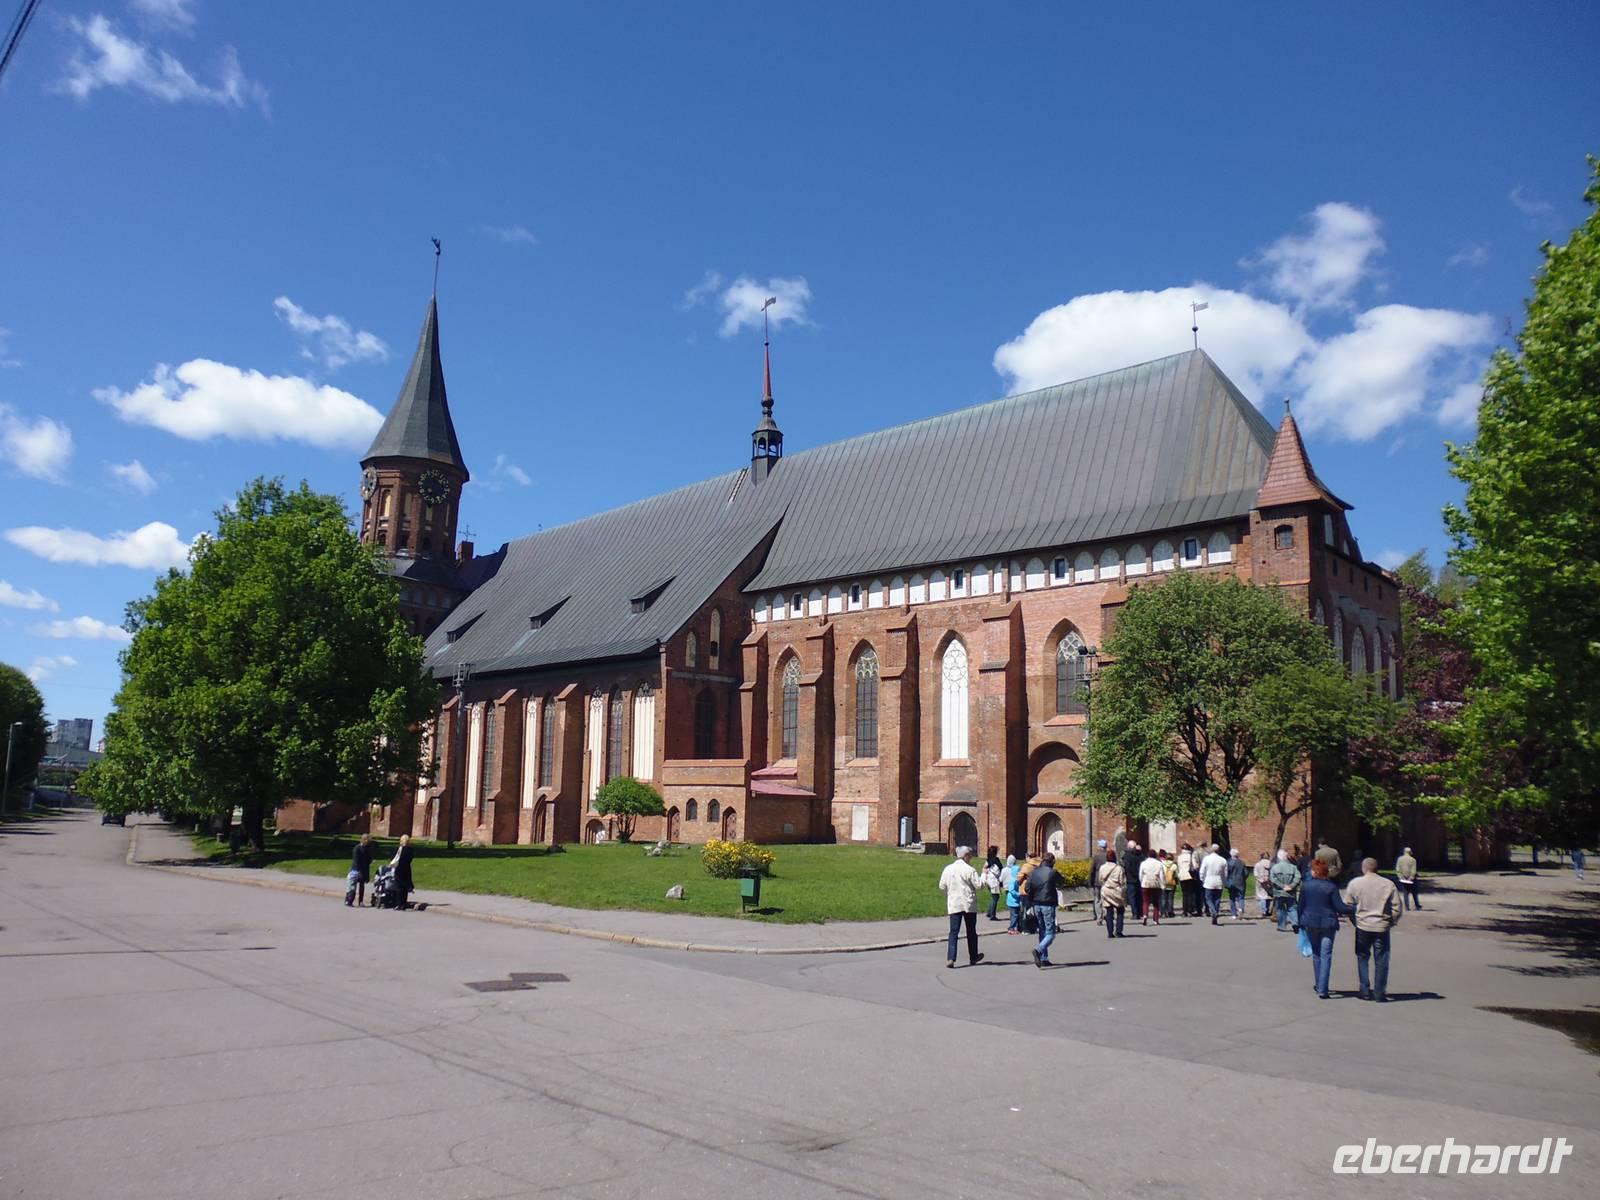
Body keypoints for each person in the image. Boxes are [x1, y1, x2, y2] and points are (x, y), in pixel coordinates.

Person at [1346, 857, 1402, 1002]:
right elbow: (1397, 907)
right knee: (1382, 959)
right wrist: (1391, 921)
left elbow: (1348, 905)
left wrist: (1355, 920)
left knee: (1362, 957)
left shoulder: (1355, 883)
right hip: (1381, 925)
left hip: (1363, 925)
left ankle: (1364, 989)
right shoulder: (1388, 884)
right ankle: (1379, 991)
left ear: (1363, 869)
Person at [1299, 857, 1355, 998]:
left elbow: (1301, 906)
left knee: (1316, 954)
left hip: (1310, 922)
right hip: (1328, 923)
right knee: (1326, 955)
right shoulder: (1330, 887)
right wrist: (1353, 908)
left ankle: (1319, 984)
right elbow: (1339, 907)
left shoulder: (1306, 886)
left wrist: (1299, 922)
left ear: (1314, 872)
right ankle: (1323, 988)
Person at [938, 846, 986, 969]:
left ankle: (951, 958)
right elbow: (979, 885)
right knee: (971, 931)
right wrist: (984, 873)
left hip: (954, 903)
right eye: (969, 855)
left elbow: (942, 886)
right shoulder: (970, 870)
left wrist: (948, 895)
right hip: (968, 904)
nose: (970, 857)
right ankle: (973, 956)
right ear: (965, 856)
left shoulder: (948, 869)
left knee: (953, 932)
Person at [1024, 852, 1065, 967]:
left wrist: (1033, 896)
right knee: (1050, 933)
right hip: (1048, 903)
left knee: (1042, 930)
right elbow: (1062, 881)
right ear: (1052, 862)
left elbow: (1027, 888)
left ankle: (1043, 958)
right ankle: (1039, 949)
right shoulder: (1052, 872)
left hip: (1036, 904)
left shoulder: (1034, 872)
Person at [1097, 848, 1127, 939]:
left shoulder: (1102, 867)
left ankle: (1110, 932)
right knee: (1120, 910)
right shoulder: (1119, 868)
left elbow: (1100, 879)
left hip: (1106, 890)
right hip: (1116, 890)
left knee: (1109, 911)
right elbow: (1122, 881)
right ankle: (1118, 931)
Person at [1269, 849, 1301, 931]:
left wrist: (1282, 886)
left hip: (1279, 892)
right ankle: (1295, 923)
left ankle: (1281, 926)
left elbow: (1273, 879)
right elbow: (1298, 877)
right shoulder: (1293, 867)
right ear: (1286, 857)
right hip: (1291, 892)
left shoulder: (1275, 867)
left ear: (1279, 857)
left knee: (1280, 909)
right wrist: (1291, 886)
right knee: (1292, 908)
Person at [1198, 843, 1227, 924]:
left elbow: (1202, 871)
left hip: (1209, 880)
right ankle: (1215, 912)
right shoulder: (1222, 860)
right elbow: (1225, 873)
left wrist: (1202, 879)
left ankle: (1213, 911)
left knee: (1208, 898)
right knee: (1217, 899)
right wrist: (1224, 882)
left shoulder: (1206, 859)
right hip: (1218, 881)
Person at [346, 833, 374, 907]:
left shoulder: (368, 849)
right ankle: (349, 900)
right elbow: (356, 861)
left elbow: (369, 860)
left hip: (364, 869)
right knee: (352, 886)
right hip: (356, 870)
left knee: (362, 886)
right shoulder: (357, 848)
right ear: (363, 840)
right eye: (367, 840)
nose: (368, 842)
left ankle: (360, 901)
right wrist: (359, 871)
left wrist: (367, 875)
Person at [1138, 846, 1164, 926]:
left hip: (1145, 883)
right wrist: (1162, 885)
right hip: (1156, 884)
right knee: (1156, 902)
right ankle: (1155, 920)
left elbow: (1140, 874)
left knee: (1145, 901)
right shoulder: (1159, 863)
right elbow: (1161, 876)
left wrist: (1142, 882)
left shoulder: (1143, 863)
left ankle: (1145, 915)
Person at [389, 834, 415, 909]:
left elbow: (392, 858)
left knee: (399, 887)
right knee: (405, 887)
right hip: (407, 869)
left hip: (399, 869)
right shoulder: (411, 850)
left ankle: (399, 904)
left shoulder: (399, 849)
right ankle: (404, 903)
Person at [1122, 840, 1144, 921]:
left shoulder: (1127, 855)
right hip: (1140, 878)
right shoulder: (1140, 854)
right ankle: (1140, 913)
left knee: (1132, 897)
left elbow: (1127, 867)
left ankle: (1135, 913)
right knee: (1139, 896)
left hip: (1131, 879)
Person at [1394, 846, 1422, 910]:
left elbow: (1398, 869)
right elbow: (1413, 870)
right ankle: (1417, 905)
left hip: (1403, 878)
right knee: (1414, 892)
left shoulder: (1400, 859)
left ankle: (1407, 907)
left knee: (1405, 893)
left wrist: (1400, 876)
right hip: (1411, 879)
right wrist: (1411, 877)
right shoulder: (1413, 860)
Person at [1002, 854, 1023, 934]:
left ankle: (1015, 927)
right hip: (1012, 901)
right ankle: (1011, 928)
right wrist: (1018, 894)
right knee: (1014, 915)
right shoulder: (1013, 881)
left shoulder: (1016, 880)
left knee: (1016, 915)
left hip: (1016, 902)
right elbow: (1012, 891)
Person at [1177, 843, 1199, 916]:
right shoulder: (1191, 856)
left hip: (1182, 876)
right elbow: (1195, 866)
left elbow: (1179, 866)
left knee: (1184, 894)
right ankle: (1190, 910)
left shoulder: (1179, 857)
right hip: (1190, 876)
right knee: (1190, 893)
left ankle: (1184, 911)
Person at [983, 846, 1004, 919]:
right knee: (995, 897)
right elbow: (1000, 870)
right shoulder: (996, 860)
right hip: (994, 881)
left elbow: (985, 869)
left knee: (993, 896)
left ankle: (989, 911)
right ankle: (992, 914)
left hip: (988, 880)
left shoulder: (987, 860)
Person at [1090, 839, 1108, 922]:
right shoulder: (1108, 855)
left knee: (1097, 899)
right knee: (1106, 898)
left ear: (1100, 847)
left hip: (1097, 880)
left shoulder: (1096, 856)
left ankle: (1099, 917)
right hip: (1107, 880)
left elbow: (1092, 869)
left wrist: (1090, 880)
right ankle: (1106, 914)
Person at [1253, 851, 1273, 919]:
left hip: (1260, 882)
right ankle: (1267, 910)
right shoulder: (1271, 864)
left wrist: (1261, 880)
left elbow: (1256, 874)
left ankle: (1263, 911)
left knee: (1261, 896)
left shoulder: (1258, 864)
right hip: (1269, 882)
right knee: (1268, 896)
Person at [1160, 849, 1178, 918]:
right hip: (1171, 883)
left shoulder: (1162, 864)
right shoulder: (1174, 865)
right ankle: (1170, 912)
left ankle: (1163, 912)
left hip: (1163, 883)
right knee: (1170, 899)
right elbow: (1176, 875)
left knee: (1163, 898)